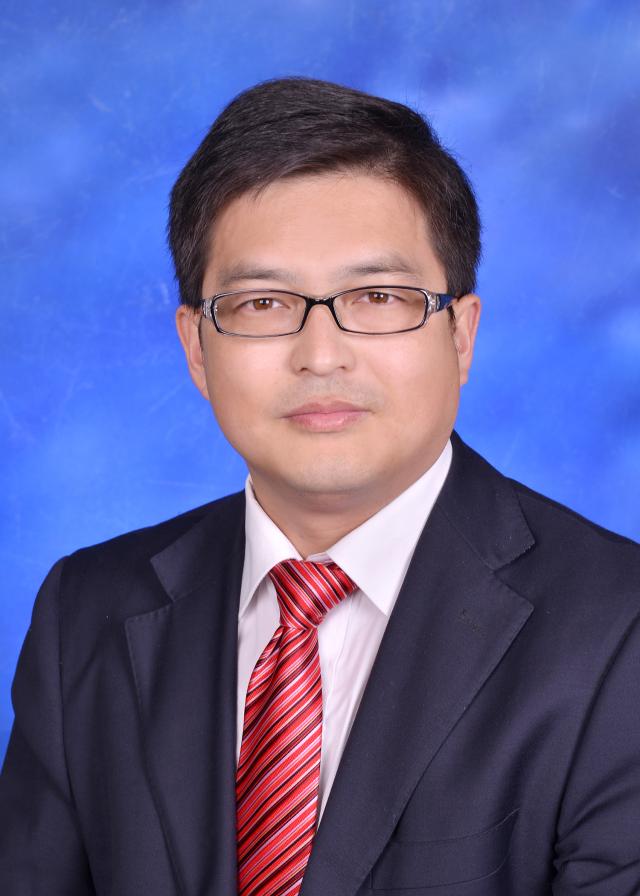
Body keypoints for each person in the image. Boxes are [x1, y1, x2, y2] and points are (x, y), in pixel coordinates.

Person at [1, 76, 639, 896]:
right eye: (263, 303)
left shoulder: (618, 626)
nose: (321, 354)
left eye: (377, 297)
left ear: (460, 334)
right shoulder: (85, 611)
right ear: (196, 349)